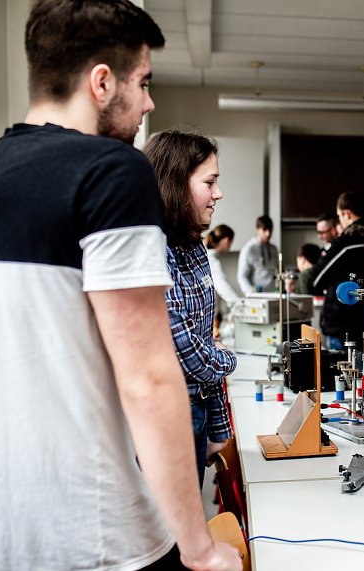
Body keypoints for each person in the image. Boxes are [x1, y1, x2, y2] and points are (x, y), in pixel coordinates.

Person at [0, 2, 240, 570]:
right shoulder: (113, 172)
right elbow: (149, 376)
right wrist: (200, 548)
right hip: (94, 532)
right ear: (101, 81)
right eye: (142, 83)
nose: (148, 103)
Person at [143, 130, 237, 486]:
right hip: (166, 417)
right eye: (209, 182)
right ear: (176, 184)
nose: (218, 194)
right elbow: (190, 355)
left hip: (194, 410)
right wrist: (230, 358)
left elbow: (201, 352)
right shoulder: (152, 249)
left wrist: (218, 429)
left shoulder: (192, 245)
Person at [311, 191, 364, 351]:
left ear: (346, 214)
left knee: (345, 374)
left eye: (339, 215)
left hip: (344, 330)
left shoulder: (347, 244)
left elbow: (315, 281)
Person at [237, 214, 279, 293]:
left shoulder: (274, 249)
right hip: (257, 296)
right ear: (258, 229)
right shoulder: (248, 249)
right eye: (264, 230)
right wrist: (251, 292)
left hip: (274, 294)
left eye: (270, 230)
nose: (268, 234)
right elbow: (242, 276)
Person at [205, 224, 242, 311]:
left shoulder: (206, 256)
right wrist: (240, 303)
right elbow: (222, 287)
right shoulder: (212, 261)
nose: (230, 247)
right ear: (226, 240)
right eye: (231, 243)